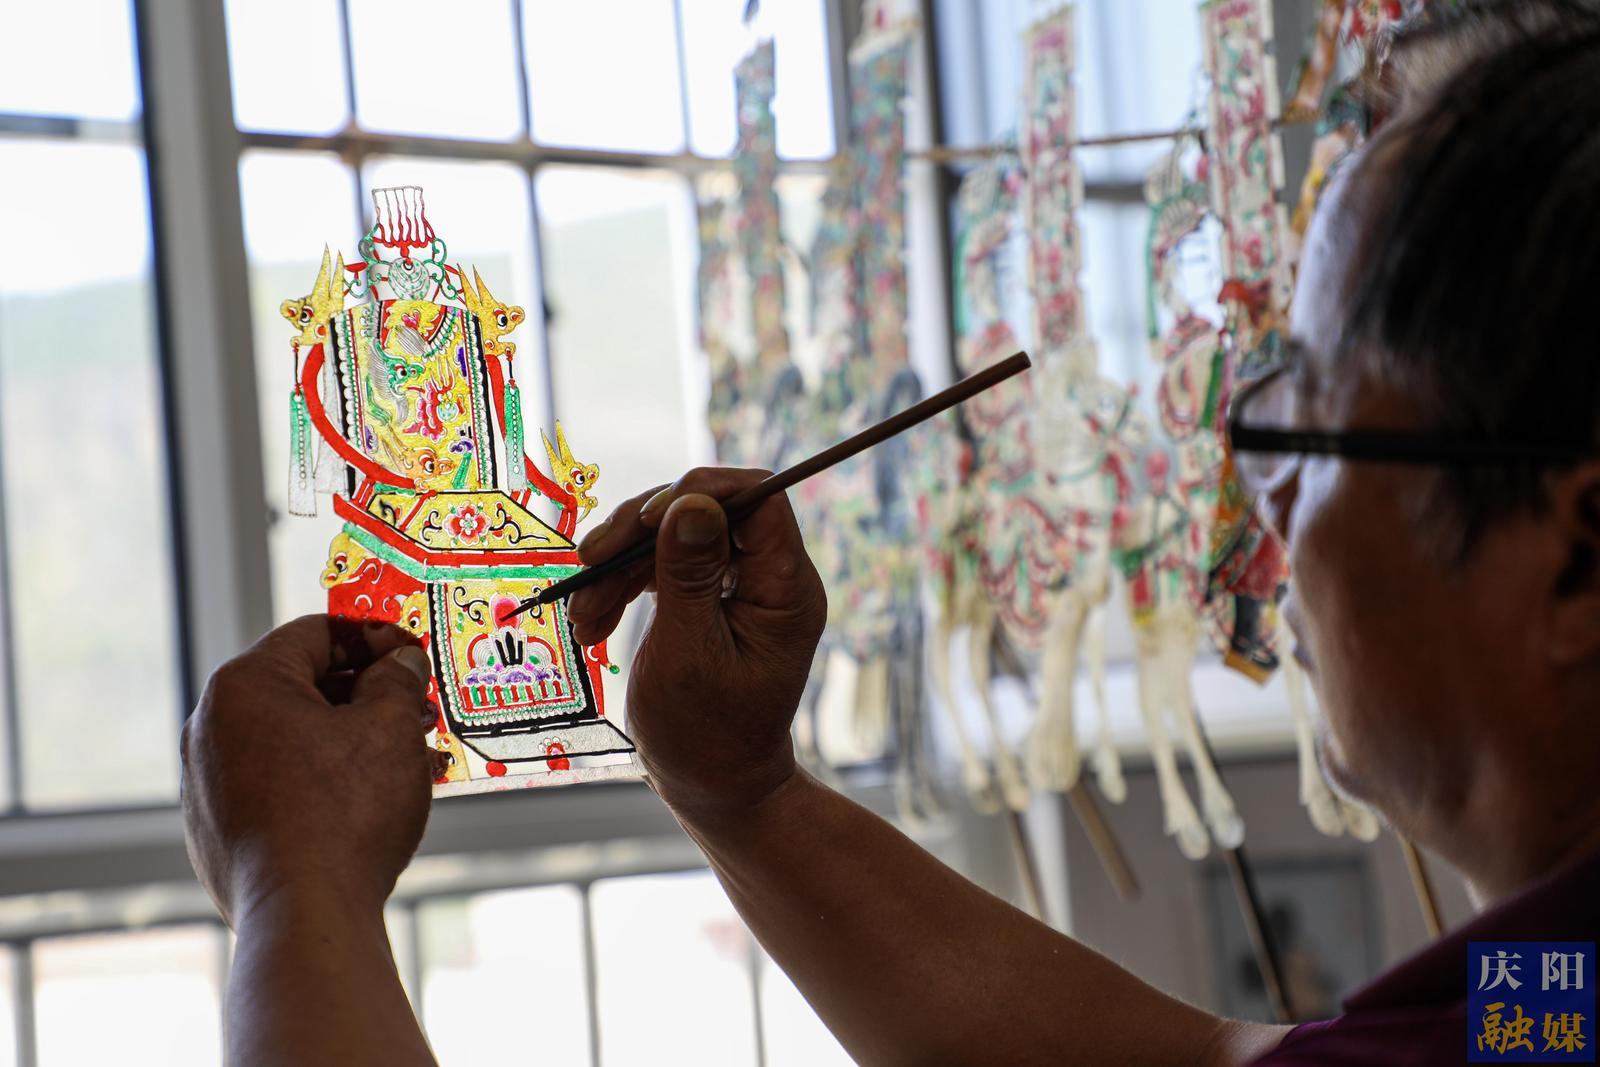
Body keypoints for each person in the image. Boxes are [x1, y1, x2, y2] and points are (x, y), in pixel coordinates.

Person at [182, 2, 1600, 1062]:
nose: (1260, 495)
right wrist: (739, 788)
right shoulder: (1542, 1005)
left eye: (1306, 414)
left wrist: (294, 886)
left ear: (1579, 551)